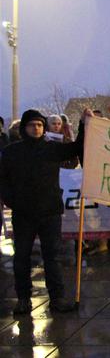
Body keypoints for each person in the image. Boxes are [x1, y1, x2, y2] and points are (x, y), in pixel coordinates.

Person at [0, 108, 93, 314]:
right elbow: (3, 179)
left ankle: (57, 298)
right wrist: (11, 200)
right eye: (33, 125)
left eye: (40, 125)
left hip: (50, 212)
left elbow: (76, 147)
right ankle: (23, 299)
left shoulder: (51, 148)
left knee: (52, 257)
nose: (37, 128)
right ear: (25, 128)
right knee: (21, 257)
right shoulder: (12, 151)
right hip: (23, 214)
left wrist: (83, 124)